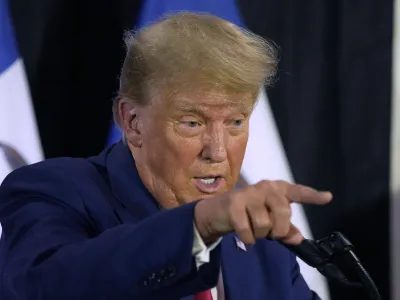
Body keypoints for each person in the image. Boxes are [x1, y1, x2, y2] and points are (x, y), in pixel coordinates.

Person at [0, 12, 332, 300]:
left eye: (235, 122)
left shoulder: (263, 250)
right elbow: (48, 288)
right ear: (132, 122)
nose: (217, 151)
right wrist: (198, 226)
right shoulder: (54, 190)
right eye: (192, 122)